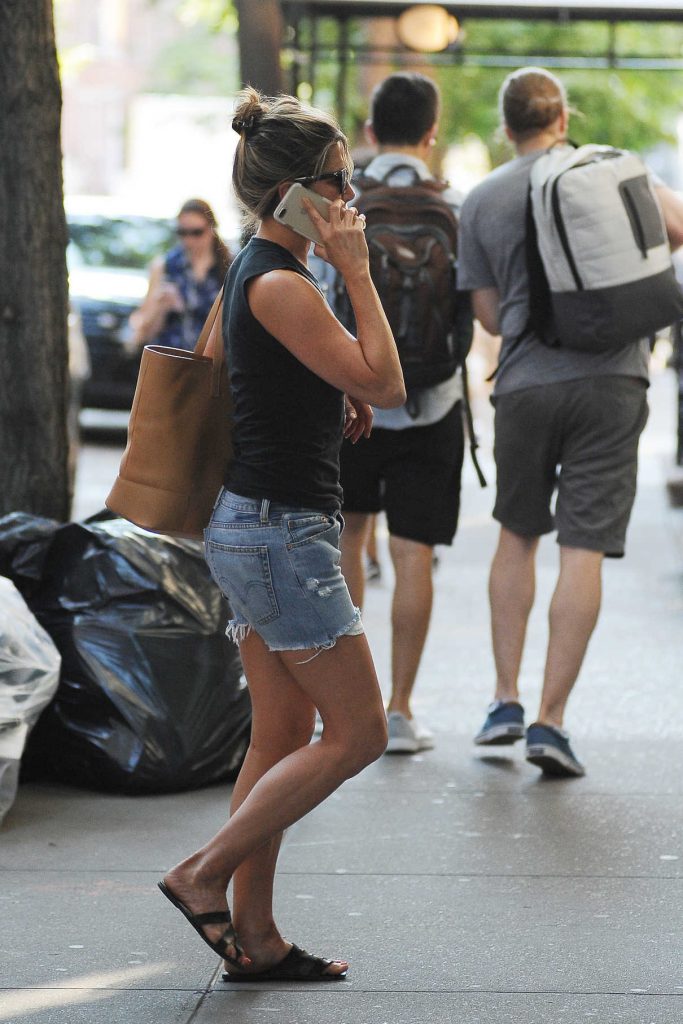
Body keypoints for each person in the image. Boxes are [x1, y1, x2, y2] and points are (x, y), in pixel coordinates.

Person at [157, 88, 405, 981]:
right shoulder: (281, 280)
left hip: (256, 524)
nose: (352, 200)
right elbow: (386, 381)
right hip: (279, 533)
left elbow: (232, 370)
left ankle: (255, 940)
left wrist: (315, 388)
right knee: (359, 733)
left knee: (278, 736)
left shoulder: (256, 270)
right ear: (297, 191)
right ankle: (201, 874)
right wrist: (362, 274)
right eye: (340, 182)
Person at [458, 67, 683, 777]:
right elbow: (676, 227)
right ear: (564, 115)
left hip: (526, 383)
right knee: (582, 549)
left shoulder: (484, 197)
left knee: (517, 533)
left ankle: (504, 699)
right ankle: (551, 722)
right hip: (614, 380)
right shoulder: (611, 172)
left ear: (506, 124)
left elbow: (489, 316)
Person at [337, 73, 466, 754]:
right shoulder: (454, 209)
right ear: (430, 132)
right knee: (413, 553)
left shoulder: (347, 204)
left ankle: (345, 705)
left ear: (368, 131)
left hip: (351, 401)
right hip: (432, 404)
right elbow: (474, 310)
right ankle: (399, 711)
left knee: (349, 541)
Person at [129, 198, 231, 350]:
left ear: (212, 229)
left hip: (211, 363)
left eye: (197, 232)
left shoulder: (228, 266)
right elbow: (142, 333)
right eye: (182, 232)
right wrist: (161, 307)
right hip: (169, 360)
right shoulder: (165, 266)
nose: (189, 240)